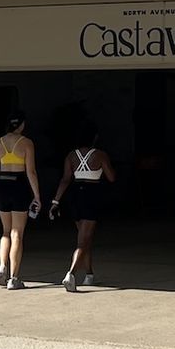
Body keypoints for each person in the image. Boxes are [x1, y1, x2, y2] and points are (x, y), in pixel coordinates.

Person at [49, 123, 116, 293]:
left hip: (75, 195)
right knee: (83, 240)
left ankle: (89, 275)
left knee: (85, 238)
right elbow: (111, 177)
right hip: (92, 195)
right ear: (94, 138)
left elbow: (65, 179)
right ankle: (70, 274)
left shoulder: (71, 156)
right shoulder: (100, 155)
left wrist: (55, 202)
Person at [0, 110, 42, 290]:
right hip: (19, 186)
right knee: (17, 232)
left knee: (5, 231)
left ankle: (2, 266)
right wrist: (37, 196)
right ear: (21, 125)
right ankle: (14, 278)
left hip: (2, 186)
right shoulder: (26, 143)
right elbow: (31, 171)